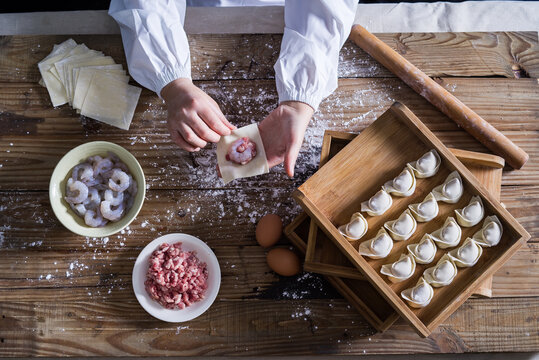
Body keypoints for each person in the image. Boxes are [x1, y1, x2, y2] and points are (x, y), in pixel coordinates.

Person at [109, 0, 357, 177]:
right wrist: (172, 80)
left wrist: (300, 99)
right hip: (191, 13)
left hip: (286, 13)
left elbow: (327, 5)